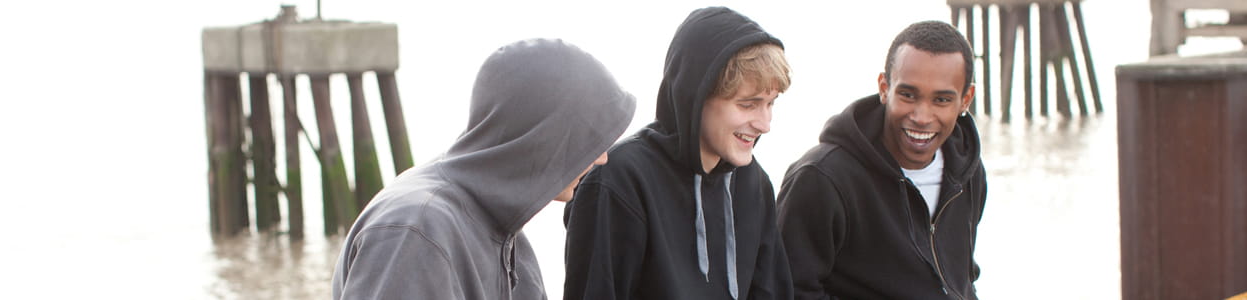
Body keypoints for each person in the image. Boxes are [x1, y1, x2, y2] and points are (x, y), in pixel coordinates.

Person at [331, 38, 636, 300]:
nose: (601, 159)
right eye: (588, 140)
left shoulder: (502, 227)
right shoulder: (416, 231)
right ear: (542, 134)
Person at [562, 7, 793, 299]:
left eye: (770, 104)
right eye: (748, 104)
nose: (764, 124)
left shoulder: (753, 184)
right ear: (695, 97)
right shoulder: (618, 181)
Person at [777, 21, 987, 299]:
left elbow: (961, 278)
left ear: (965, 99)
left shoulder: (966, 171)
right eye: (908, 95)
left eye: (941, 100)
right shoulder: (821, 178)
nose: (922, 116)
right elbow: (786, 290)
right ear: (884, 87)